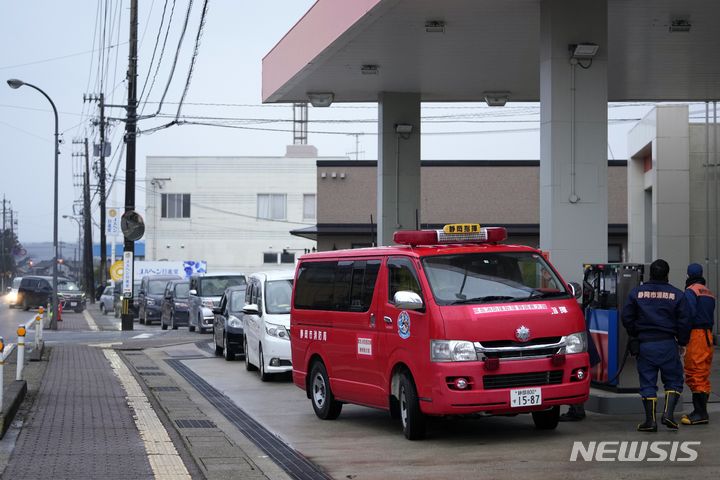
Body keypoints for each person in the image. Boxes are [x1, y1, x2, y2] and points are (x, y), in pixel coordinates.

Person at [621, 259, 690, 432]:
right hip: (668, 344)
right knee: (674, 381)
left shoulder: (636, 293)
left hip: (646, 345)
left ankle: (650, 422)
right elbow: (684, 321)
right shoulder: (678, 295)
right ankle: (668, 415)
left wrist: (635, 334)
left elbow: (627, 317)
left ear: (650, 274)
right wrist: (682, 342)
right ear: (667, 274)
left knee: (647, 383)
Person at [560, 279, 601, 421]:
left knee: (577, 375)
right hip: (580, 346)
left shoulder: (570, 308)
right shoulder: (572, 307)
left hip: (578, 347)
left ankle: (577, 409)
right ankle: (576, 408)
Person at [681, 263, 716, 425]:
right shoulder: (709, 293)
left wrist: (681, 337)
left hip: (697, 335)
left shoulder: (691, 291)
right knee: (703, 372)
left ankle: (700, 413)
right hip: (708, 335)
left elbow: (688, 315)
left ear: (688, 275)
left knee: (694, 371)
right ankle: (701, 411)